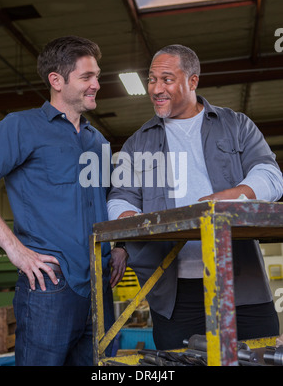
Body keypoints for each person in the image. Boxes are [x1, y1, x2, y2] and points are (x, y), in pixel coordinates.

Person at [107, 44, 283, 350]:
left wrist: (227, 198)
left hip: (242, 282)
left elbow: (270, 175)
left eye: (167, 79)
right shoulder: (137, 143)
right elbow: (121, 197)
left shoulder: (236, 125)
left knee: (259, 356)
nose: (156, 89)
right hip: (175, 293)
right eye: (151, 80)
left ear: (193, 81)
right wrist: (127, 226)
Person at [0, 36, 127, 365]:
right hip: (49, 287)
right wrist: (14, 249)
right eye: (87, 77)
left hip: (101, 286)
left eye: (98, 76)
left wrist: (120, 245)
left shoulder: (98, 142)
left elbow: (113, 202)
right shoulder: (20, 127)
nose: (97, 85)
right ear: (56, 81)